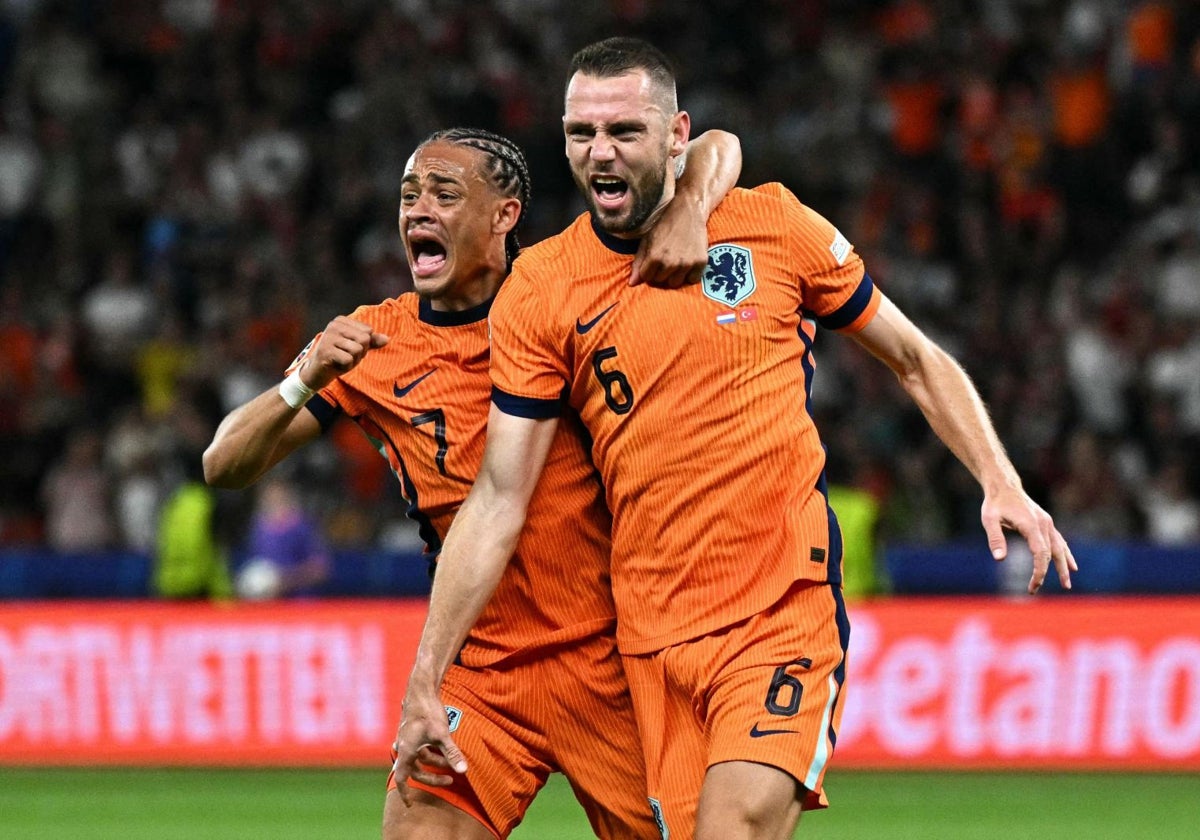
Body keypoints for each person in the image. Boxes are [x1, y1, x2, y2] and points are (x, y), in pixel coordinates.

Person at [392, 37, 1077, 840]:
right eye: (581, 134)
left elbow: (917, 360)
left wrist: (999, 478)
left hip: (777, 609)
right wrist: (426, 674)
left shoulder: (772, 226)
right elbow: (501, 497)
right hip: (648, 638)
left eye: (625, 132)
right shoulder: (542, 288)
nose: (599, 153)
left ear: (676, 134)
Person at [203, 125, 741, 838]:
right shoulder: (374, 342)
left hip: (612, 657)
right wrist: (303, 380)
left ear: (505, 213)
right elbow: (223, 464)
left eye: (444, 194)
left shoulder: (569, 291)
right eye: (408, 196)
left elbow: (717, 146)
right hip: (482, 670)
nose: (417, 211)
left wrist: (688, 207)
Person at [234, 475, 331, 600]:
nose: (273, 499)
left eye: (278, 496)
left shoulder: (302, 527)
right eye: (269, 496)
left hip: (299, 605)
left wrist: (285, 581)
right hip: (267, 606)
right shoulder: (257, 526)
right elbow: (255, 565)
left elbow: (320, 569)